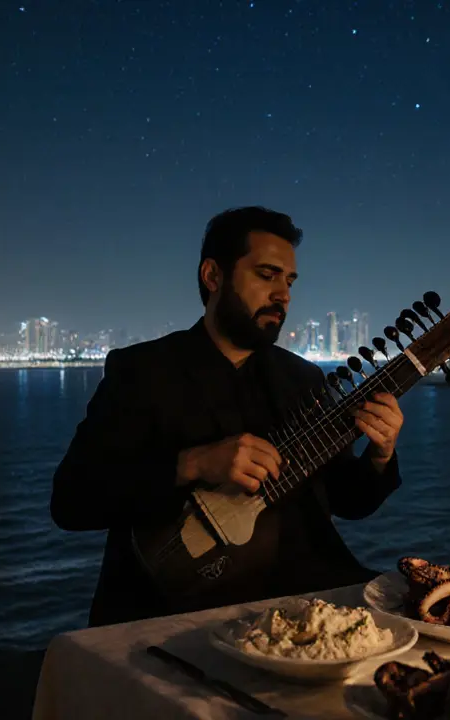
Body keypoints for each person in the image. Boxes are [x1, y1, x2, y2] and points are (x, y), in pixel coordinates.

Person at [51, 206, 405, 627]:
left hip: (305, 597)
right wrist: (192, 464)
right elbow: (71, 502)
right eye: (266, 274)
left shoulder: (303, 379)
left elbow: (348, 500)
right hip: (180, 608)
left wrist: (380, 454)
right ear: (213, 276)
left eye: (289, 280)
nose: (283, 295)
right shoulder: (143, 372)